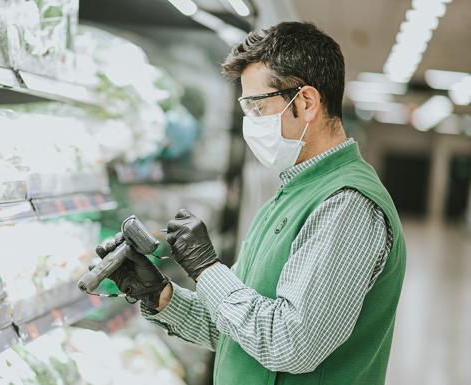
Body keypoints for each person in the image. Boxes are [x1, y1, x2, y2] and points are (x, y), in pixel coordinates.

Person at [94, 22, 406, 385]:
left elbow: (291, 345)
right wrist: (160, 294)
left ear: (305, 103)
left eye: (257, 107)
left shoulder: (348, 206)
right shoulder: (291, 194)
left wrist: (206, 268)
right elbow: (239, 331)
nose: (250, 124)